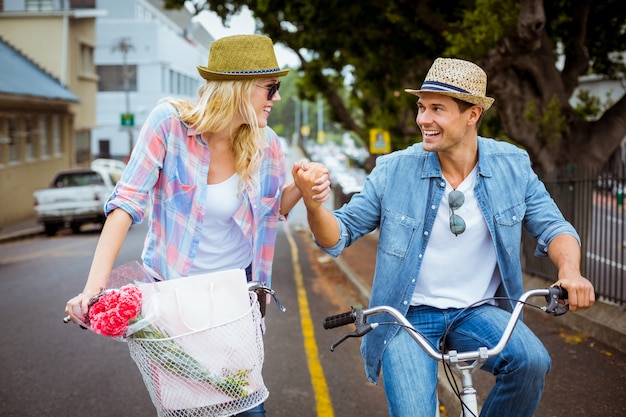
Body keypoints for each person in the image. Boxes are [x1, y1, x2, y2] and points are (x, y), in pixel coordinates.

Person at [294, 57, 595, 417]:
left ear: (472, 115)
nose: (423, 119)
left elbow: (554, 227)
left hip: (479, 311)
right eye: (421, 107)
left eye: (437, 108)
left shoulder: (511, 165)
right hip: (405, 317)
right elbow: (337, 235)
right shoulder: (394, 170)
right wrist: (314, 205)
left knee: (531, 362)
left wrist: (571, 272)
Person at [65, 34, 330, 416]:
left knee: (246, 405)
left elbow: (270, 213)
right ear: (238, 89)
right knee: (188, 409)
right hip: (174, 304)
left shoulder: (267, 144)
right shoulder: (169, 126)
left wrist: (301, 189)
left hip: (235, 301)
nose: (277, 98)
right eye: (271, 88)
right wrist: (93, 289)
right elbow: (125, 204)